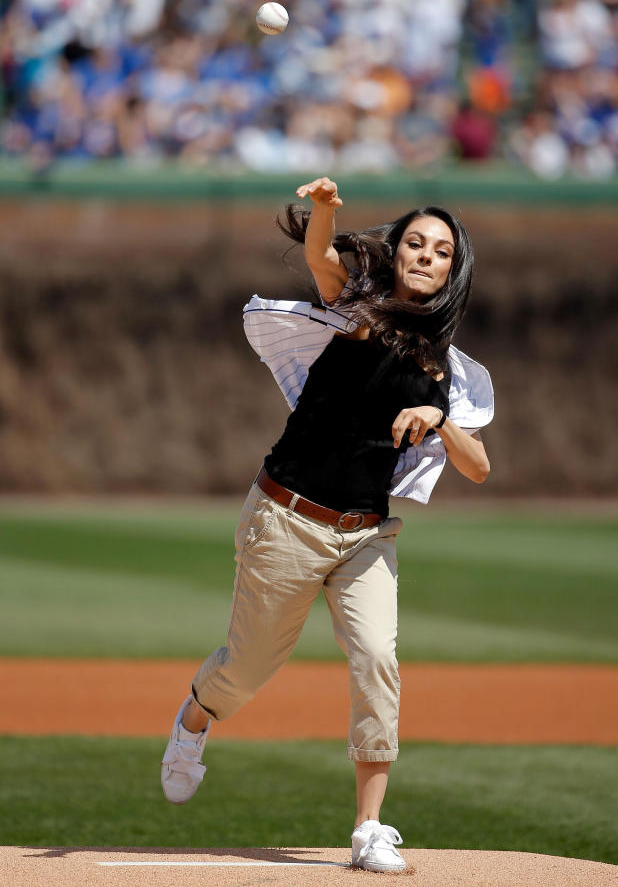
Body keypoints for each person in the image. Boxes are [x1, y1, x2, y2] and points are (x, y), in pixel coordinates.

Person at [160, 177, 494, 873]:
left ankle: (369, 827)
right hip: (286, 518)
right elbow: (320, 257)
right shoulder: (357, 305)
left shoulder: (443, 364)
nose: (426, 255)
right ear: (397, 249)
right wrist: (326, 212)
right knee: (246, 671)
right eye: (416, 242)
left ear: (452, 269)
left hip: (366, 534)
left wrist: (441, 419)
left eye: (441, 250)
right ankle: (194, 721)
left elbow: (480, 466)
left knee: (378, 658)